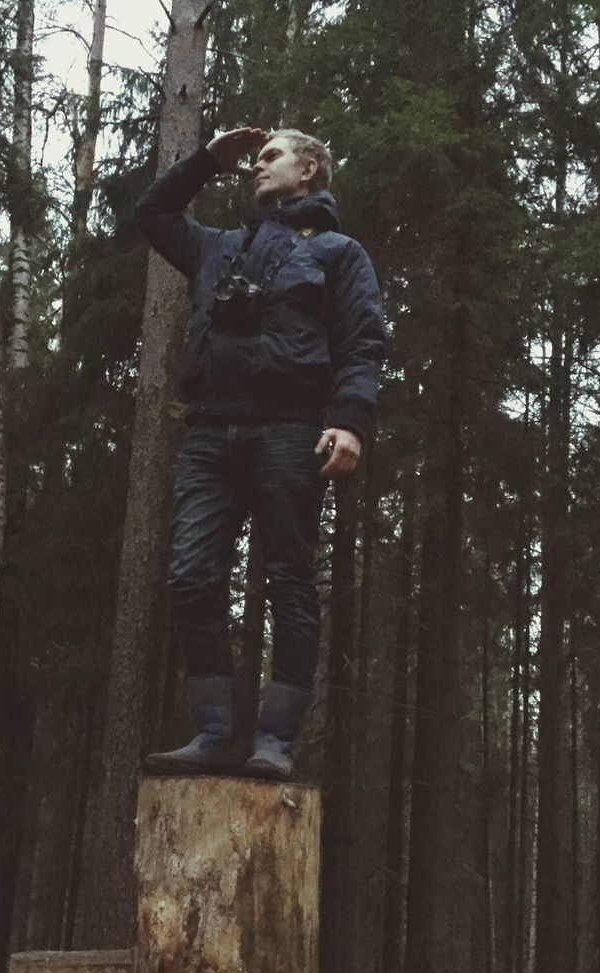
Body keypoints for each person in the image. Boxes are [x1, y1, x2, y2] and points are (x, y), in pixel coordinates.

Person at [137, 126, 385, 780]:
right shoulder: (218, 248)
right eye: (255, 158)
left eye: (270, 156)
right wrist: (204, 162)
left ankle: (275, 739)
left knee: (289, 579)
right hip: (210, 433)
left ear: (309, 169)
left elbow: (363, 341)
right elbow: (152, 215)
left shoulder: (338, 252)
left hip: (289, 429)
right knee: (192, 574)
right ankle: (216, 732)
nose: (257, 166)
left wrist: (351, 421)